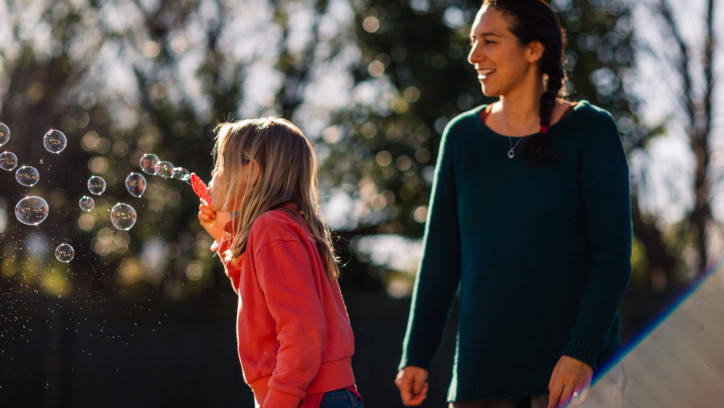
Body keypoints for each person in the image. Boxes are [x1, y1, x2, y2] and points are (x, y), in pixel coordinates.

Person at [394, 0, 631, 407]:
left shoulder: (591, 130)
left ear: (534, 49)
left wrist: (581, 351)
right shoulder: (461, 138)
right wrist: (416, 355)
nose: (474, 55)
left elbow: (611, 256)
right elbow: (440, 259)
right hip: (480, 381)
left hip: (573, 380)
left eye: (489, 40)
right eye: (473, 41)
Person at [197, 117, 363, 408]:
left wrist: (280, 401)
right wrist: (226, 238)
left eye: (221, 166)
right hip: (318, 393)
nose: (214, 174)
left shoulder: (271, 227)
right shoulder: (286, 225)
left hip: (309, 396)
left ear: (252, 172)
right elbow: (259, 298)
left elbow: (301, 330)